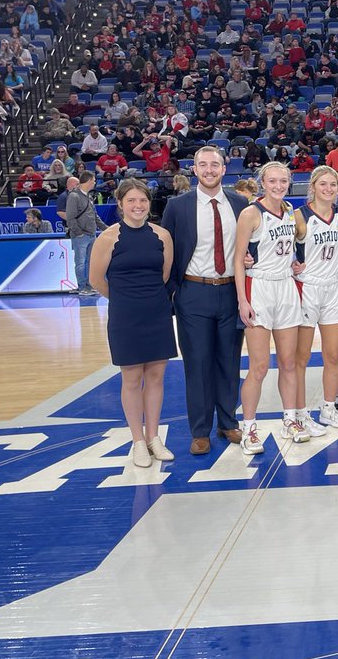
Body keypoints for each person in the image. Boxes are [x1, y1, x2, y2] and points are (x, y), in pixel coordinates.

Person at [161, 146, 248, 455]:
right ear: (194, 169)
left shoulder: (240, 204)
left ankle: (228, 422)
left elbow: (253, 245)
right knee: (197, 365)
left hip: (230, 292)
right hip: (193, 293)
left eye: (215, 164)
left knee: (229, 362)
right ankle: (200, 431)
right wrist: (174, 292)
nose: (209, 169)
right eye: (203, 164)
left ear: (224, 169)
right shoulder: (177, 206)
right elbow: (167, 252)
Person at [88, 179, 177, 468]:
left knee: (155, 377)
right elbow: (96, 280)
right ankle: (137, 441)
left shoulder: (162, 236)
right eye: (131, 201)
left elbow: (164, 275)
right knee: (131, 379)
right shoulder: (108, 238)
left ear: (149, 204)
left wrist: (146, 297)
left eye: (143, 201)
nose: (138, 206)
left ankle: (154, 437)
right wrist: (125, 298)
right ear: (121, 204)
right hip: (125, 316)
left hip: (157, 312)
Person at [234, 162, 309, 452]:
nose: (278, 186)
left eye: (283, 181)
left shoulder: (290, 211)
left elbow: (286, 250)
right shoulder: (251, 213)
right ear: (262, 183)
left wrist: (294, 263)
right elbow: (239, 259)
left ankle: (290, 419)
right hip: (259, 287)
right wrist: (242, 299)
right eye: (272, 181)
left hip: (286, 286)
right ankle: (249, 427)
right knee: (259, 366)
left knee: (288, 362)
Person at [293, 165, 338, 432]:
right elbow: (279, 249)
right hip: (307, 289)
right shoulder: (299, 216)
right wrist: (292, 263)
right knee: (301, 358)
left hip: (333, 289)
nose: (329, 189)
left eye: (333, 185)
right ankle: (300, 414)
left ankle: (328, 409)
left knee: (333, 354)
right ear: (313, 186)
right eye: (323, 184)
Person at [66, 171, 106, 296]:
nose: (94, 183)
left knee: (90, 262)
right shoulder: (74, 196)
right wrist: (79, 233)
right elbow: (70, 218)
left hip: (91, 234)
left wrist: (106, 228)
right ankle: (82, 287)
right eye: (93, 180)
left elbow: (94, 215)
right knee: (81, 262)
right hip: (81, 236)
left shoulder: (88, 196)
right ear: (88, 181)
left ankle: (90, 286)